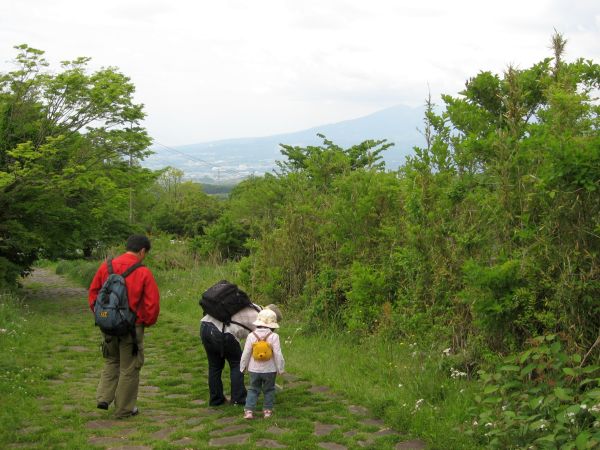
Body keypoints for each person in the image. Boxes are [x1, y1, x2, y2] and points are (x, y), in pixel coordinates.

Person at [88, 234, 160, 418]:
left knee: (111, 360)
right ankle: (124, 409)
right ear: (142, 251)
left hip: (108, 325)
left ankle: (103, 397)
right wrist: (145, 321)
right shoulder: (143, 271)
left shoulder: (107, 266)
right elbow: (152, 303)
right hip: (131, 327)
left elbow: (94, 292)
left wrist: (103, 316)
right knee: (130, 367)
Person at [200, 300, 282, 407]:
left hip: (205, 326)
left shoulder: (251, 307)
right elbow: (261, 353)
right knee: (237, 364)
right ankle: (238, 399)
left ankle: (216, 400)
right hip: (222, 332)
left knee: (214, 366)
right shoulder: (260, 321)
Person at [240, 308, 285, 419]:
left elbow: (246, 353)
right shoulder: (274, 337)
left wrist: (243, 366)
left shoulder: (251, 336)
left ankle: (249, 411)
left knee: (253, 389)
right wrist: (281, 368)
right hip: (270, 370)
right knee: (269, 389)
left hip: (254, 369)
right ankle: (267, 411)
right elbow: (278, 354)